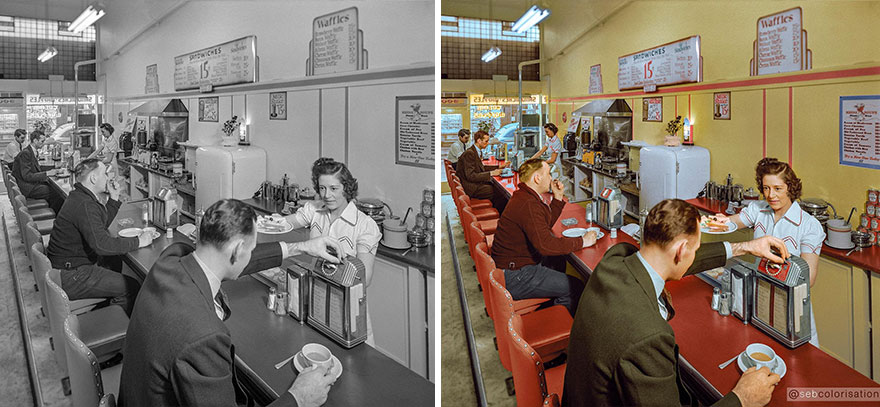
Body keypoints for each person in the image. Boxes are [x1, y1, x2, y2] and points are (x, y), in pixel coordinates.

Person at [563, 199, 788, 407]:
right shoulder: (649, 337)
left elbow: (670, 260)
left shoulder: (617, 258)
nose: (695, 253)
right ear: (681, 251)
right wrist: (742, 398)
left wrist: (746, 247)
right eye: (696, 248)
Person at [120, 199, 343, 407]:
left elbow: (226, 259)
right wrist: (299, 398)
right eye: (251, 248)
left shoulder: (171, 258)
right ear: (237, 251)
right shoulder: (204, 337)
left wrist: (302, 247)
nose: (252, 253)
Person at [713, 157, 825, 347]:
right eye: (766, 188)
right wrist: (720, 222)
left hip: (790, 303)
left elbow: (809, 278)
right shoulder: (758, 209)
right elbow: (733, 222)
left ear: (790, 187)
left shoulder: (809, 226)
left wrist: (770, 266)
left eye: (777, 189)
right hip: (759, 298)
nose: (770, 195)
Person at [284, 157, 382, 345]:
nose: (327, 195)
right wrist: (268, 223)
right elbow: (286, 223)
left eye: (334, 189)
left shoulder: (365, 225)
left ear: (347, 187)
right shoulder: (314, 209)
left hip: (347, 307)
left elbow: (365, 278)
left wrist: (326, 267)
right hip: (315, 299)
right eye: (322, 188)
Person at [46, 158, 153, 316]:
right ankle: (112, 327)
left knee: (113, 260)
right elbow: (102, 245)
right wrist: (139, 241)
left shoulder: (80, 196)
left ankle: (106, 304)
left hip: (66, 266)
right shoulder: (85, 204)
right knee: (131, 286)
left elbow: (99, 225)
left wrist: (114, 198)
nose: (108, 178)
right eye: (105, 174)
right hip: (71, 274)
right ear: (93, 178)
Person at [490, 158, 595, 315]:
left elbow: (542, 226)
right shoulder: (529, 204)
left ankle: (551, 302)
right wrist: (582, 241)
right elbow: (546, 245)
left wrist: (558, 198)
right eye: (548, 174)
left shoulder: (524, 196)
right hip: (515, 275)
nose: (551, 178)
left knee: (557, 260)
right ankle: (556, 325)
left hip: (510, 267)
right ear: (537, 178)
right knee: (576, 286)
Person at [11, 130, 64, 213]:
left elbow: (37, 168)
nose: (43, 144)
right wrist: (47, 173)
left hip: (27, 184)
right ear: (35, 141)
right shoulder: (26, 153)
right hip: (27, 187)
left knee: (53, 189)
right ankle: (56, 217)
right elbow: (27, 176)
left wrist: (54, 167)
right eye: (42, 141)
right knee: (57, 193)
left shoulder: (29, 151)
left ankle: (54, 213)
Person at [456, 130, 509, 207]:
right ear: (479, 141)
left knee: (496, 188)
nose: (487, 143)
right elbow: (471, 176)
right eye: (486, 141)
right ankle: (499, 214)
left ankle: (499, 212)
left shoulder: (474, 151)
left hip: (471, 184)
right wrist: (491, 173)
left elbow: (481, 168)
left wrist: (498, 167)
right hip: (471, 188)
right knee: (500, 193)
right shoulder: (470, 153)